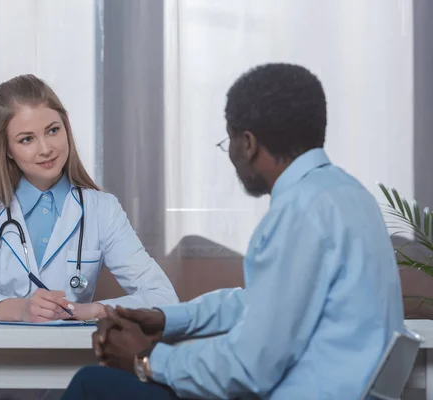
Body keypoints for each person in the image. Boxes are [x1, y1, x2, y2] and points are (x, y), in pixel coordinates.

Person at [60, 63, 405, 399]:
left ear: (248, 143)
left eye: (230, 142)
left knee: (92, 385)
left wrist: (146, 358)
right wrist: (167, 319)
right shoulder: (351, 195)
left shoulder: (299, 214)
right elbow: (263, 302)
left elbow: (248, 370)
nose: (232, 154)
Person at [0, 74, 178, 400]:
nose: (46, 148)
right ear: (7, 149)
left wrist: (94, 310)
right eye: (26, 139)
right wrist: (20, 309)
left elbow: (163, 296)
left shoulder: (101, 209)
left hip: (66, 382)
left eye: (53, 130)